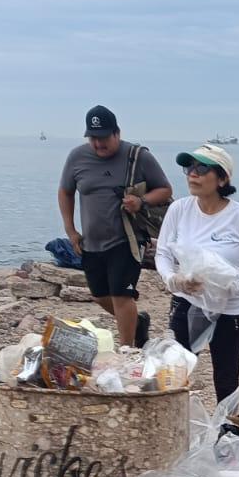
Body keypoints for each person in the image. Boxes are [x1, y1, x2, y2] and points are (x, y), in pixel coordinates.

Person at [155, 143, 239, 402]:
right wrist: (174, 279)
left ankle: (227, 437)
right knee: (175, 376)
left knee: (226, 381)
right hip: (186, 303)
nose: (192, 174)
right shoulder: (179, 210)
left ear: (222, 178)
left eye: (201, 168)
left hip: (229, 311)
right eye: (189, 168)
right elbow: (162, 254)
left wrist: (233, 286)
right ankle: (176, 434)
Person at [57, 105, 173, 348]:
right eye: (93, 138)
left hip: (127, 239)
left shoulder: (138, 156)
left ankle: (127, 351)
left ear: (116, 133)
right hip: (92, 241)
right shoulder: (77, 157)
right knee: (100, 295)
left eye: (103, 138)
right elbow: (66, 191)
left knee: (122, 294)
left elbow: (165, 190)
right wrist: (70, 229)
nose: (98, 144)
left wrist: (141, 201)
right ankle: (138, 323)